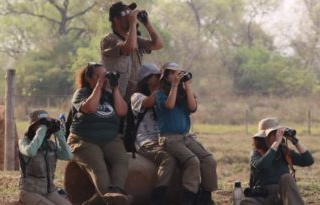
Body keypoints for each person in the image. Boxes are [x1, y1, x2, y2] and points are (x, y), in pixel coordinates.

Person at [67, 62, 130, 205]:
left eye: (105, 75)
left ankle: (117, 192)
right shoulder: (81, 93)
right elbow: (90, 108)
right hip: (84, 139)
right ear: (89, 78)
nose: (104, 78)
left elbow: (122, 111)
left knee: (121, 160)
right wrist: (98, 87)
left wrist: (115, 89)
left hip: (109, 138)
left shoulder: (109, 95)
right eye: (100, 75)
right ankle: (112, 200)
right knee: (99, 167)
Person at [155, 62, 218, 205]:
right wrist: (175, 85)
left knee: (209, 160)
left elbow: (193, 107)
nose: (178, 75)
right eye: (174, 73)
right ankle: (188, 198)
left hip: (186, 137)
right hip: (169, 138)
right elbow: (169, 106)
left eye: (180, 72)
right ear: (166, 76)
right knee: (192, 161)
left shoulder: (184, 94)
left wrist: (187, 86)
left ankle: (206, 197)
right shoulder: (159, 94)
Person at [130, 63, 177, 205]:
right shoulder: (136, 96)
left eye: (161, 75)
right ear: (147, 79)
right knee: (168, 159)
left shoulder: (165, 96)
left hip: (163, 138)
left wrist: (178, 90)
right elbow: (149, 102)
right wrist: (163, 88)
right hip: (145, 141)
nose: (160, 78)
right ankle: (158, 198)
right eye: (157, 76)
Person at [240, 117, 314, 205]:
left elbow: (308, 160)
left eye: (278, 133)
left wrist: (295, 141)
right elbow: (262, 165)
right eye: (274, 134)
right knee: (246, 203)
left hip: (282, 196)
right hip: (262, 196)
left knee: (287, 177)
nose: (277, 137)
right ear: (265, 137)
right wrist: (276, 144)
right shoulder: (256, 152)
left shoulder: (283, 151)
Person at [101, 1, 163, 101]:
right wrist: (133, 23)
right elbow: (129, 47)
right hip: (114, 97)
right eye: (126, 14)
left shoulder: (135, 39)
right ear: (116, 19)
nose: (130, 16)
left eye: (130, 13)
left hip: (132, 97)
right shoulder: (109, 40)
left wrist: (147, 23)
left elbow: (158, 45)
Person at [18, 110, 72, 205]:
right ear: (33, 127)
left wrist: (59, 135)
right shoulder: (23, 142)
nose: (45, 128)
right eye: (40, 124)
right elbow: (31, 151)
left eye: (47, 125)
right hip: (29, 192)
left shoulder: (50, 145)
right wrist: (42, 129)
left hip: (49, 192)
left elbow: (68, 156)